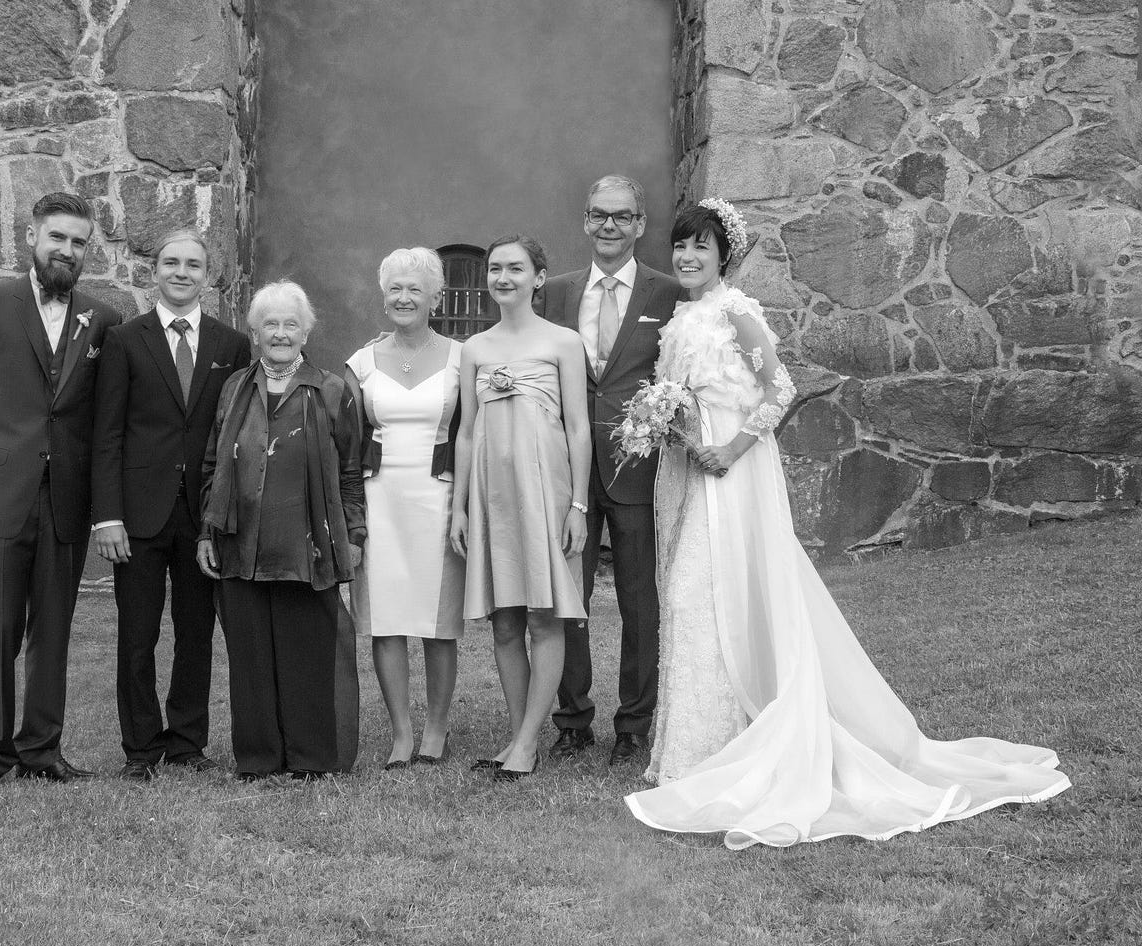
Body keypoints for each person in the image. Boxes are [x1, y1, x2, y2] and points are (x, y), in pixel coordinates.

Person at [625, 199, 1071, 848]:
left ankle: (720, 755)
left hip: (732, 475)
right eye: (681, 246)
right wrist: (669, 421)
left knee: (719, 595)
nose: (689, 257)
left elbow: (777, 389)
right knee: (694, 602)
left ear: (726, 254)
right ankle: (689, 754)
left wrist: (728, 447)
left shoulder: (737, 311)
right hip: (687, 473)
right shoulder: (684, 315)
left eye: (702, 246)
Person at [0, 191, 122, 791]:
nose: (67, 251)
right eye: (57, 238)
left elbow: (98, 419)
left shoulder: (103, 319)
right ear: (32, 238)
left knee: (53, 629)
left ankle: (42, 747)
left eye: (78, 243)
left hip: (64, 497)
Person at [90, 228, 251, 781]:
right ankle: (140, 748)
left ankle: (186, 742)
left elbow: (235, 434)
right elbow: (106, 433)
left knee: (195, 631)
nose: (182, 273)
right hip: (136, 516)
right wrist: (107, 515)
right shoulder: (125, 339)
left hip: (201, 514)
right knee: (137, 635)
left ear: (208, 276)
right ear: (153, 272)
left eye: (193, 265)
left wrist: (223, 514)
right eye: (171, 263)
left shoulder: (231, 346)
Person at [538, 174, 684, 767]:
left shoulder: (669, 294)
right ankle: (571, 718)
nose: (609, 226)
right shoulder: (558, 293)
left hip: (637, 469)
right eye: (599, 215)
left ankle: (634, 721)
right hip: (566, 470)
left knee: (637, 598)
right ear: (584, 220)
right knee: (565, 595)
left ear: (640, 225)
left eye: (622, 217)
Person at [196, 280, 366, 781]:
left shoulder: (331, 389)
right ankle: (259, 758)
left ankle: (312, 758)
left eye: (291, 324)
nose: (280, 333)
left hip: (307, 544)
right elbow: (212, 463)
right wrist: (207, 531)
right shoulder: (234, 388)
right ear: (254, 331)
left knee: (307, 654)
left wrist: (352, 537)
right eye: (270, 323)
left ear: (306, 330)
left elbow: (352, 473)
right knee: (250, 656)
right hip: (240, 542)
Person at [451, 234, 590, 780]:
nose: (502, 278)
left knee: (545, 615)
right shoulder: (475, 349)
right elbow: (465, 433)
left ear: (539, 276)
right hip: (491, 495)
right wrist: (460, 508)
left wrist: (577, 503)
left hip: (546, 492)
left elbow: (578, 427)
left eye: (515, 268)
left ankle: (529, 743)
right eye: (494, 269)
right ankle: (518, 738)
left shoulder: (563, 343)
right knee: (504, 622)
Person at [345, 247, 464, 770]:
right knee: (386, 619)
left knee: (438, 622)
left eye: (416, 288)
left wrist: (464, 505)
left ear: (436, 298)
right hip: (380, 498)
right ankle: (400, 732)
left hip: (439, 496)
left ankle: (436, 729)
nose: (404, 297)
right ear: (382, 294)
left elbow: (474, 433)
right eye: (395, 287)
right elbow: (345, 439)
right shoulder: (361, 361)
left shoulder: (464, 357)